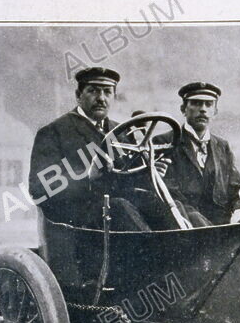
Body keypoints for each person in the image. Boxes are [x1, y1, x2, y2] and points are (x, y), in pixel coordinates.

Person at [28, 67, 174, 230]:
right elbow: (38, 188)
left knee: (157, 203)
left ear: (114, 97)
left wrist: (150, 172)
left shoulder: (122, 132)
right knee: (119, 208)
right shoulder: (54, 132)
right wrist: (88, 176)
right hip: (76, 220)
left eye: (107, 92)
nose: (101, 98)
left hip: (117, 209)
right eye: (93, 91)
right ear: (78, 96)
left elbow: (128, 177)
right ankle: (156, 254)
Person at [157, 81, 240, 226]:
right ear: (183, 109)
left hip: (223, 227)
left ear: (215, 111)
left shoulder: (222, 146)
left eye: (208, 104)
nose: (203, 110)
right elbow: (169, 195)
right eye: (196, 103)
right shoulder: (165, 142)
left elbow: (238, 189)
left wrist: (237, 214)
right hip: (185, 227)